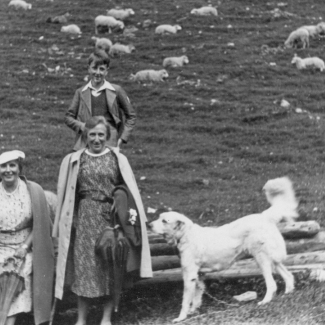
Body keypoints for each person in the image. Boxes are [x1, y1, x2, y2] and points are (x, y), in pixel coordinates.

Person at [53, 116, 152, 325]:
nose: (96, 139)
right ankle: (81, 319)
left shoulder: (117, 158)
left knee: (110, 264)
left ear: (106, 136)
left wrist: (121, 208)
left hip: (110, 218)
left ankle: (106, 318)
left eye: (100, 134)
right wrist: (69, 221)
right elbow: (67, 194)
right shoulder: (74, 160)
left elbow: (127, 189)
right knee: (84, 268)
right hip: (84, 218)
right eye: (92, 135)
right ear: (85, 136)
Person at [0, 150, 54, 325]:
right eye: (3, 166)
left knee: (19, 271)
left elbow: (39, 225)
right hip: (1, 247)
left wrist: (24, 247)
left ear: (19, 168)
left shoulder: (33, 191)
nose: (8, 170)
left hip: (26, 247)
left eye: (12, 165)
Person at [65, 50, 136, 151]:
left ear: (107, 70)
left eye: (101, 69)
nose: (97, 73)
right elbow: (68, 117)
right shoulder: (80, 92)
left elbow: (131, 116)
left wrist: (121, 140)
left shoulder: (116, 91)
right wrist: (83, 126)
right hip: (86, 144)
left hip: (109, 144)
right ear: (88, 68)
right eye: (94, 68)